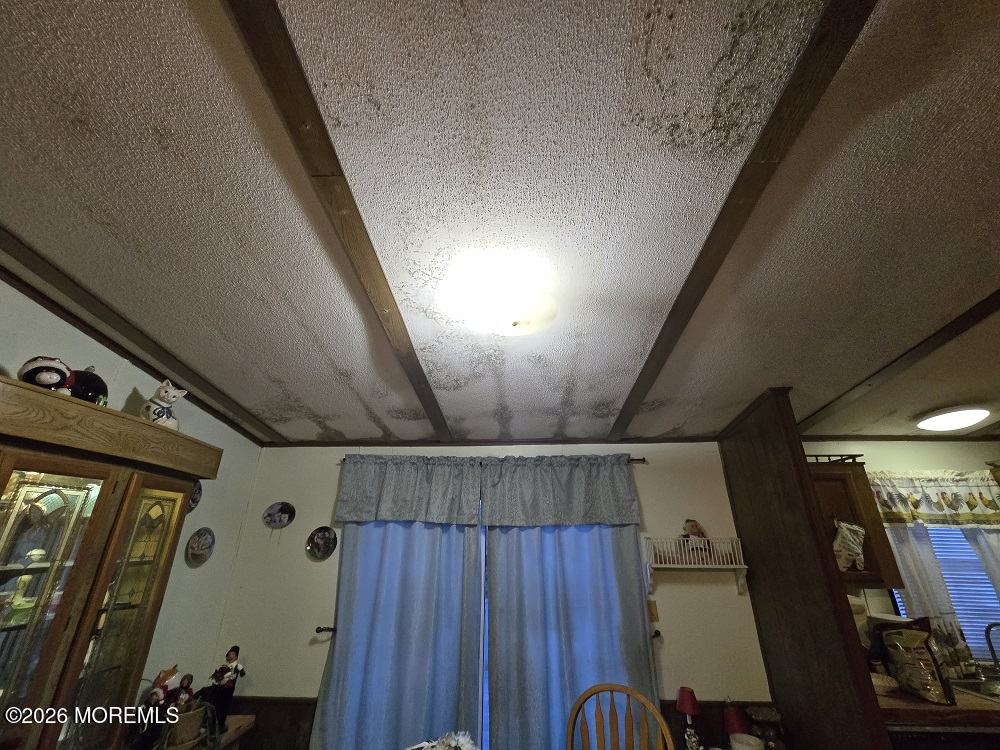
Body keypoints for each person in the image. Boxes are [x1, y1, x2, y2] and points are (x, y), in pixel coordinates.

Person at [195, 647, 245, 733]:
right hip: (220, 687)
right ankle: (209, 722)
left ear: (236, 656)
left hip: (228, 689)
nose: (230, 656)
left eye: (232, 654)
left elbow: (242, 674)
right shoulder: (224, 666)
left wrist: (239, 669)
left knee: (223, 706)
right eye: (229, 654)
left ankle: (220, 724)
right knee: (214, 702)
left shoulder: (236, 666)